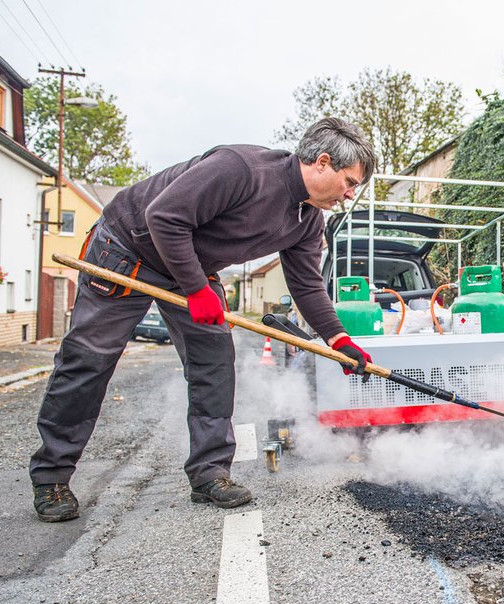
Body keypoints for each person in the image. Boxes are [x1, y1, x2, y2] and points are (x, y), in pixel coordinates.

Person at [29, 118, 377, 522]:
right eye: (350, 181)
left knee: (214, 362)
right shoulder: (241, 169)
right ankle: (52, 477)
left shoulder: (307, 220)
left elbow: (307, 285)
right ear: (322, 162)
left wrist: (338, 340)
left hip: (187, 264)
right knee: (88, 362)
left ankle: (210, 473)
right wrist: (197, 291)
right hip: (129, 248)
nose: (350, 194)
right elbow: (164, 217)